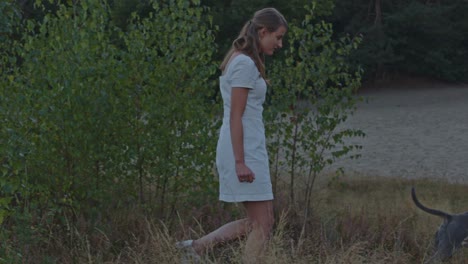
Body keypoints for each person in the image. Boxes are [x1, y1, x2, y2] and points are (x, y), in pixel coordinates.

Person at [177, 7, 287, 264]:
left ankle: (194, 248)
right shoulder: (244, 64)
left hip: (249, 148)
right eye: (278, 37)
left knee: (261, 221)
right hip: (244, 151)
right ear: (263, 32)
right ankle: (195, 248)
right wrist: (239, 161)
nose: (280, 44)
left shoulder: (244, 61)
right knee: (263, 224)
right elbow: (235, 116)